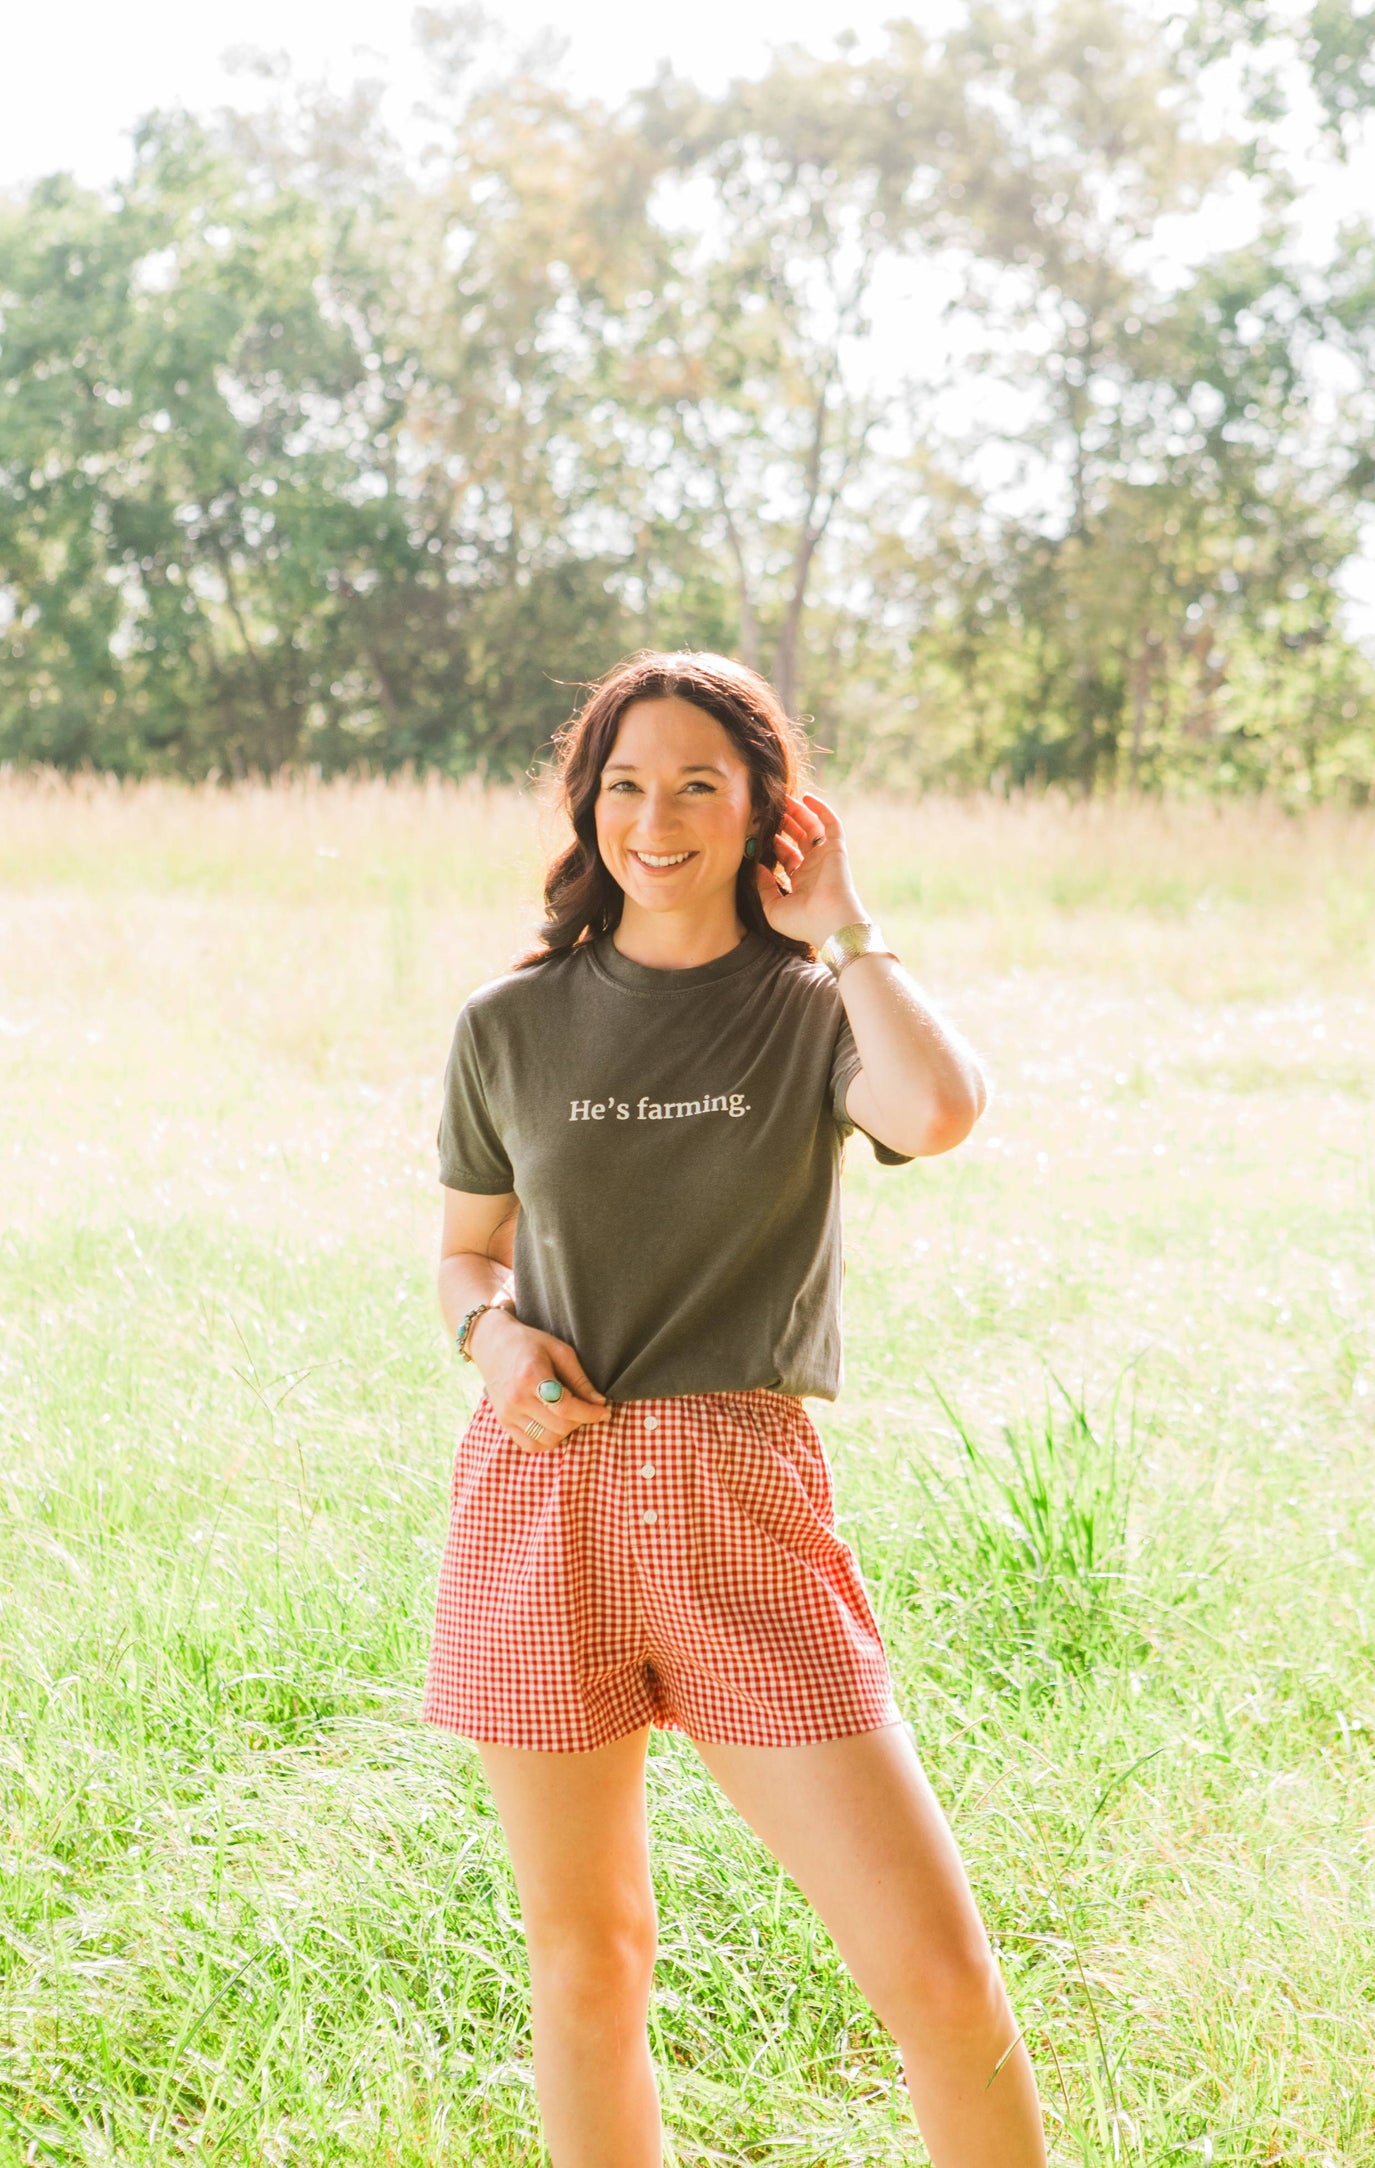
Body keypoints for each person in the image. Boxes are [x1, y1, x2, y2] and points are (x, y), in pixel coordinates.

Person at [423, 650, 1048, 2167]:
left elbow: (938, 1114)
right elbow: (463, 1255)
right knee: (587, 1964)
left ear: (768, 804)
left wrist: (844, 929)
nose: (658, 816)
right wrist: (492, 1344)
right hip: (542, 1501)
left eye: (700, 781)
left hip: (738, 1499)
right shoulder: (510, 1025)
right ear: (589, 807)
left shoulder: (812, 1009)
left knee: (940, 1982)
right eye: (626, 783)